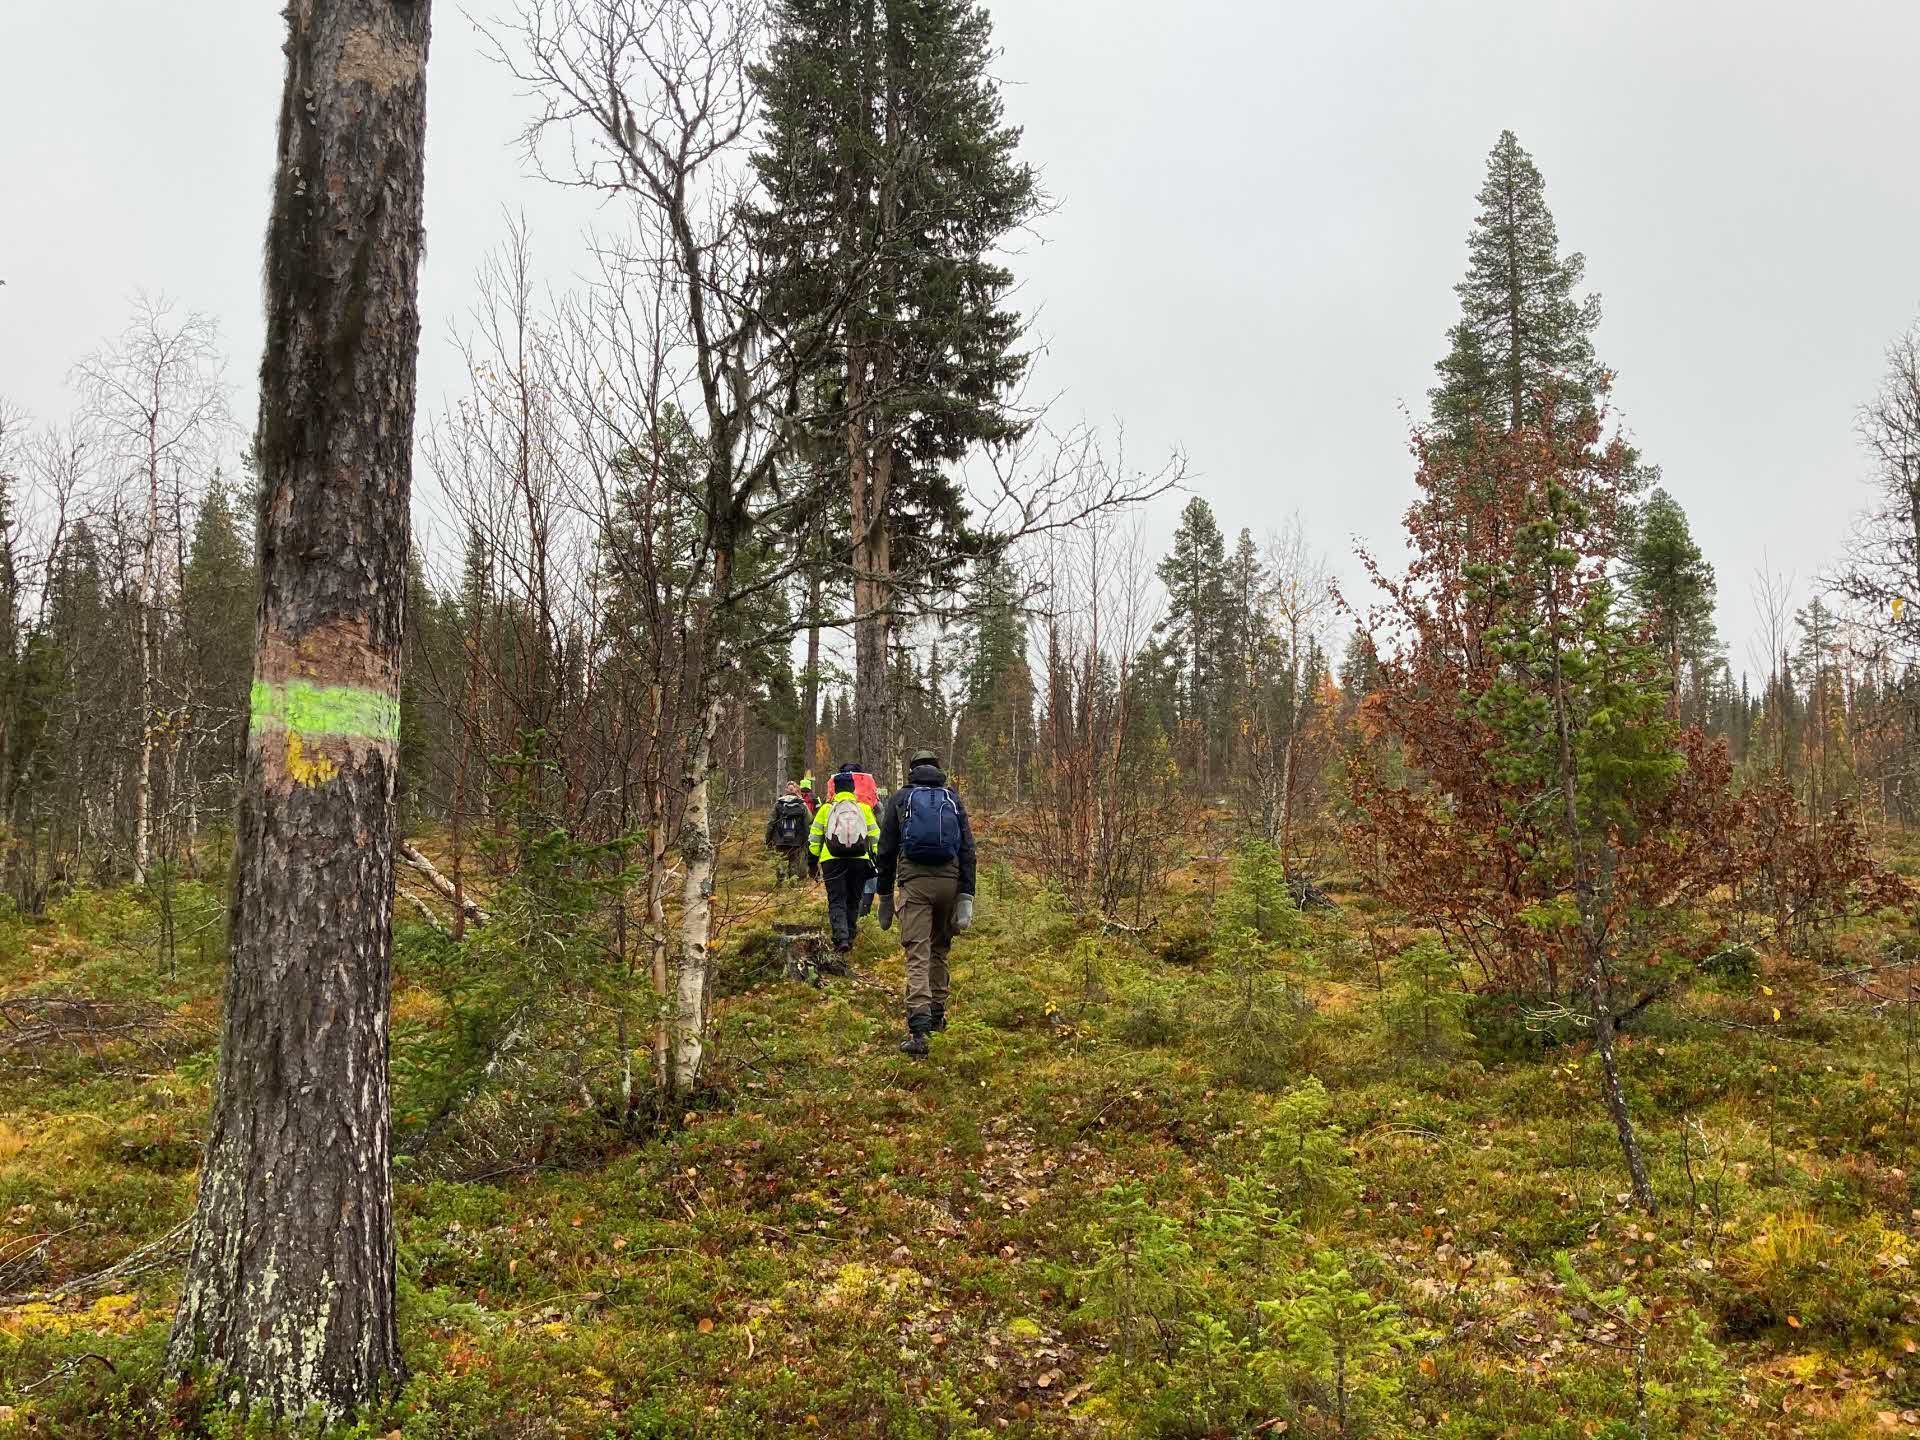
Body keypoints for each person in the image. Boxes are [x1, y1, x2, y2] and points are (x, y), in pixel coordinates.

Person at [874, 747, 976, 1056]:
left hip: (915, 884)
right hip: (950, 882)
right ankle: (936, 1016)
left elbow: (886, 850)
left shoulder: (900, 799)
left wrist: (885, 895)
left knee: (917, 954)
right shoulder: (952, 799)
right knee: (939, 950)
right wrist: (966, 895)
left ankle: (918, 1034)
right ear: (937, 769)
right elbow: (968, 850)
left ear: (912, 770)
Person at [808, 771, 880, 955]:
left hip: (831, 860)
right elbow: (875, 837)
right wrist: (876, 858)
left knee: (836, 899)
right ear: (852, 788)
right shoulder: (863, 809)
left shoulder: (826, 809)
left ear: (835, 789)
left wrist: (813, 861)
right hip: (859, 860)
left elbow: (814, 838)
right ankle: (851, 936)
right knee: (854, 899)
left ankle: (841, 938)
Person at [764, 782, 811, 887]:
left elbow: (771, 822)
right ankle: (793, 884)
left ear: (786, 790)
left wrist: (768, 838)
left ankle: (780, 883)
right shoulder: (801, 804)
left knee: (780, 860)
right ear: (796, 790)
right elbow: (809, 820)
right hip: (797, 839)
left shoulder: (778, 803)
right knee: (794, 861)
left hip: (780, 839)